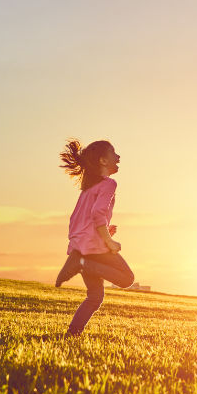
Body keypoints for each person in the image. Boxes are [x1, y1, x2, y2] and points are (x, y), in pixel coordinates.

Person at [54, 139, 134, 336]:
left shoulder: (87, 190)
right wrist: (108, 240)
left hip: (80, 246)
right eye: (114, 153)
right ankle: (82, 264)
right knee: (126, 278)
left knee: (95, 296)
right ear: (103, 161)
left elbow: (76, 220)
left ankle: (72, 334)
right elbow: (98, 214)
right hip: (91, 249)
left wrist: (104, 231)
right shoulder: (108, 184)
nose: (118, 157)